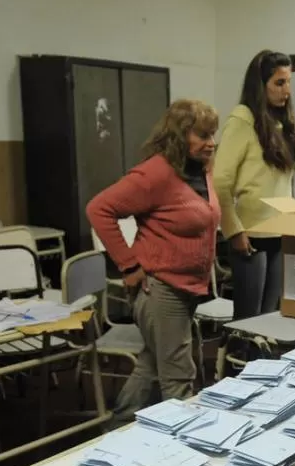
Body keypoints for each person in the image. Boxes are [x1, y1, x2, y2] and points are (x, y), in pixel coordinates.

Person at [86, 99, 221, 412]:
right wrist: (129, 266)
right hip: (162, 288)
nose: (210, 143)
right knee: (178, 379)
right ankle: (180, 453)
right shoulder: (156, 174)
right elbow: (99, 209)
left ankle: (116, 430)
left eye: (213, 135)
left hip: (186, 288)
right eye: (202, 136)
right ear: (179, 136)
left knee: (150, 367)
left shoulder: (200, 169)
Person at [214, 50, 295, 320]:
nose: (286, 90)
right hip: (249, 235)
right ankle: (236, 364)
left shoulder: (280, 123)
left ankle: (262, 363)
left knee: (270, 318)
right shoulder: (242, 120)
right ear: (260, 84)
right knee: (249, 319)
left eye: (288, 82)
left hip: (278, 232)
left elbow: (281, 185)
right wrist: (234, 231)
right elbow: (220, 182)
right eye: (279, 83)